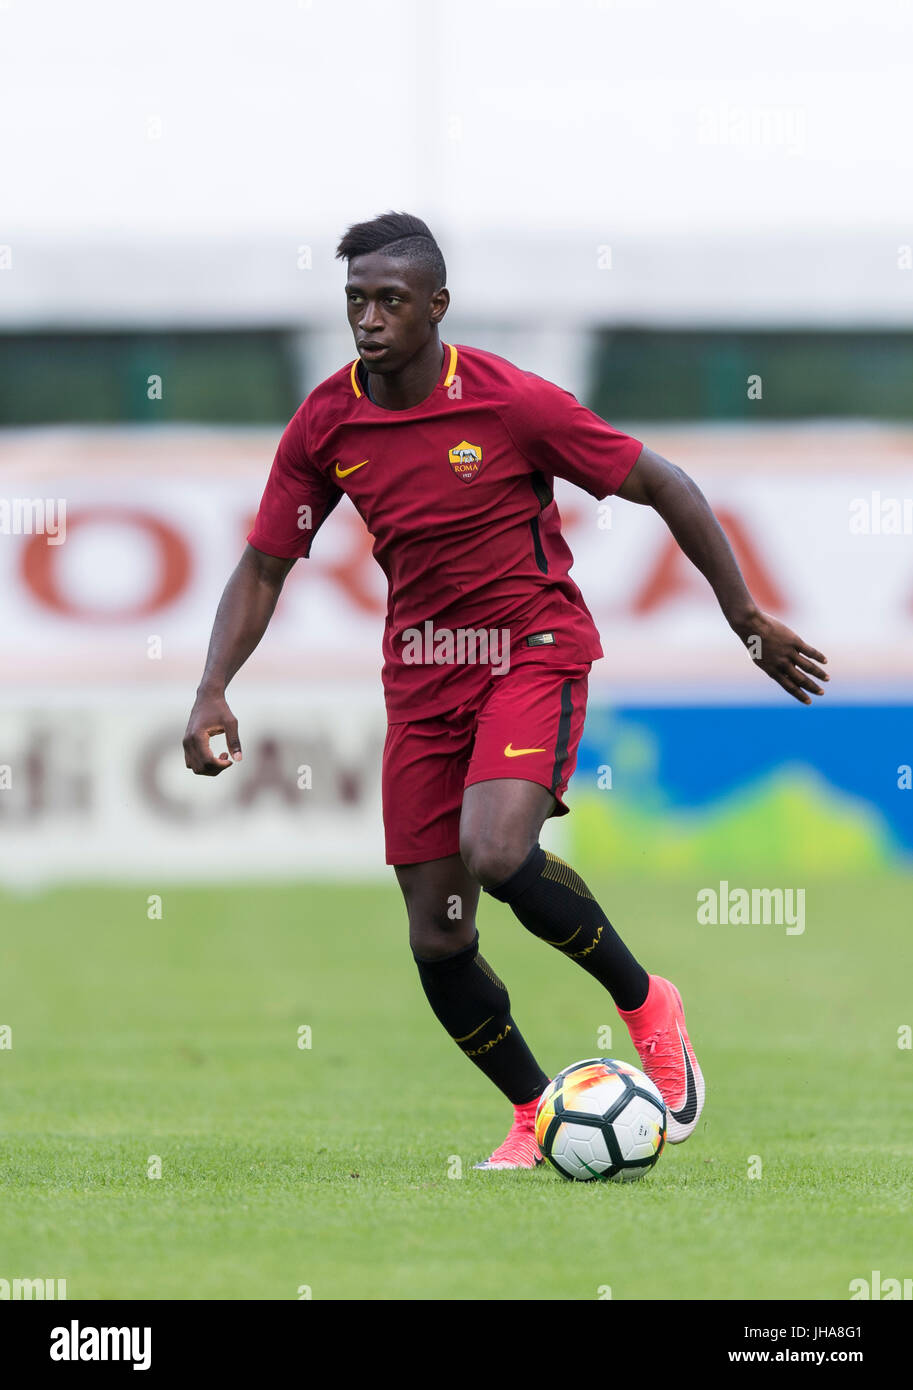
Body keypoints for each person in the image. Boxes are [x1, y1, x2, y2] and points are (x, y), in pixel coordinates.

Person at [183, 212, 829, 1169]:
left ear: (435, 307)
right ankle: (534, 1114)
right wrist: (211, 689)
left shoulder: (510, 402)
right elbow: (266, 564)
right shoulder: (326, 422)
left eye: (389, 302)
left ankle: (645, 1001)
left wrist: (745, 619)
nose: (368, 320)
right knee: (438, 938)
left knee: (494, 850)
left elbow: (666, 483)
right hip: (421, 676)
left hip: (531, 648)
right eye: (356, 301)